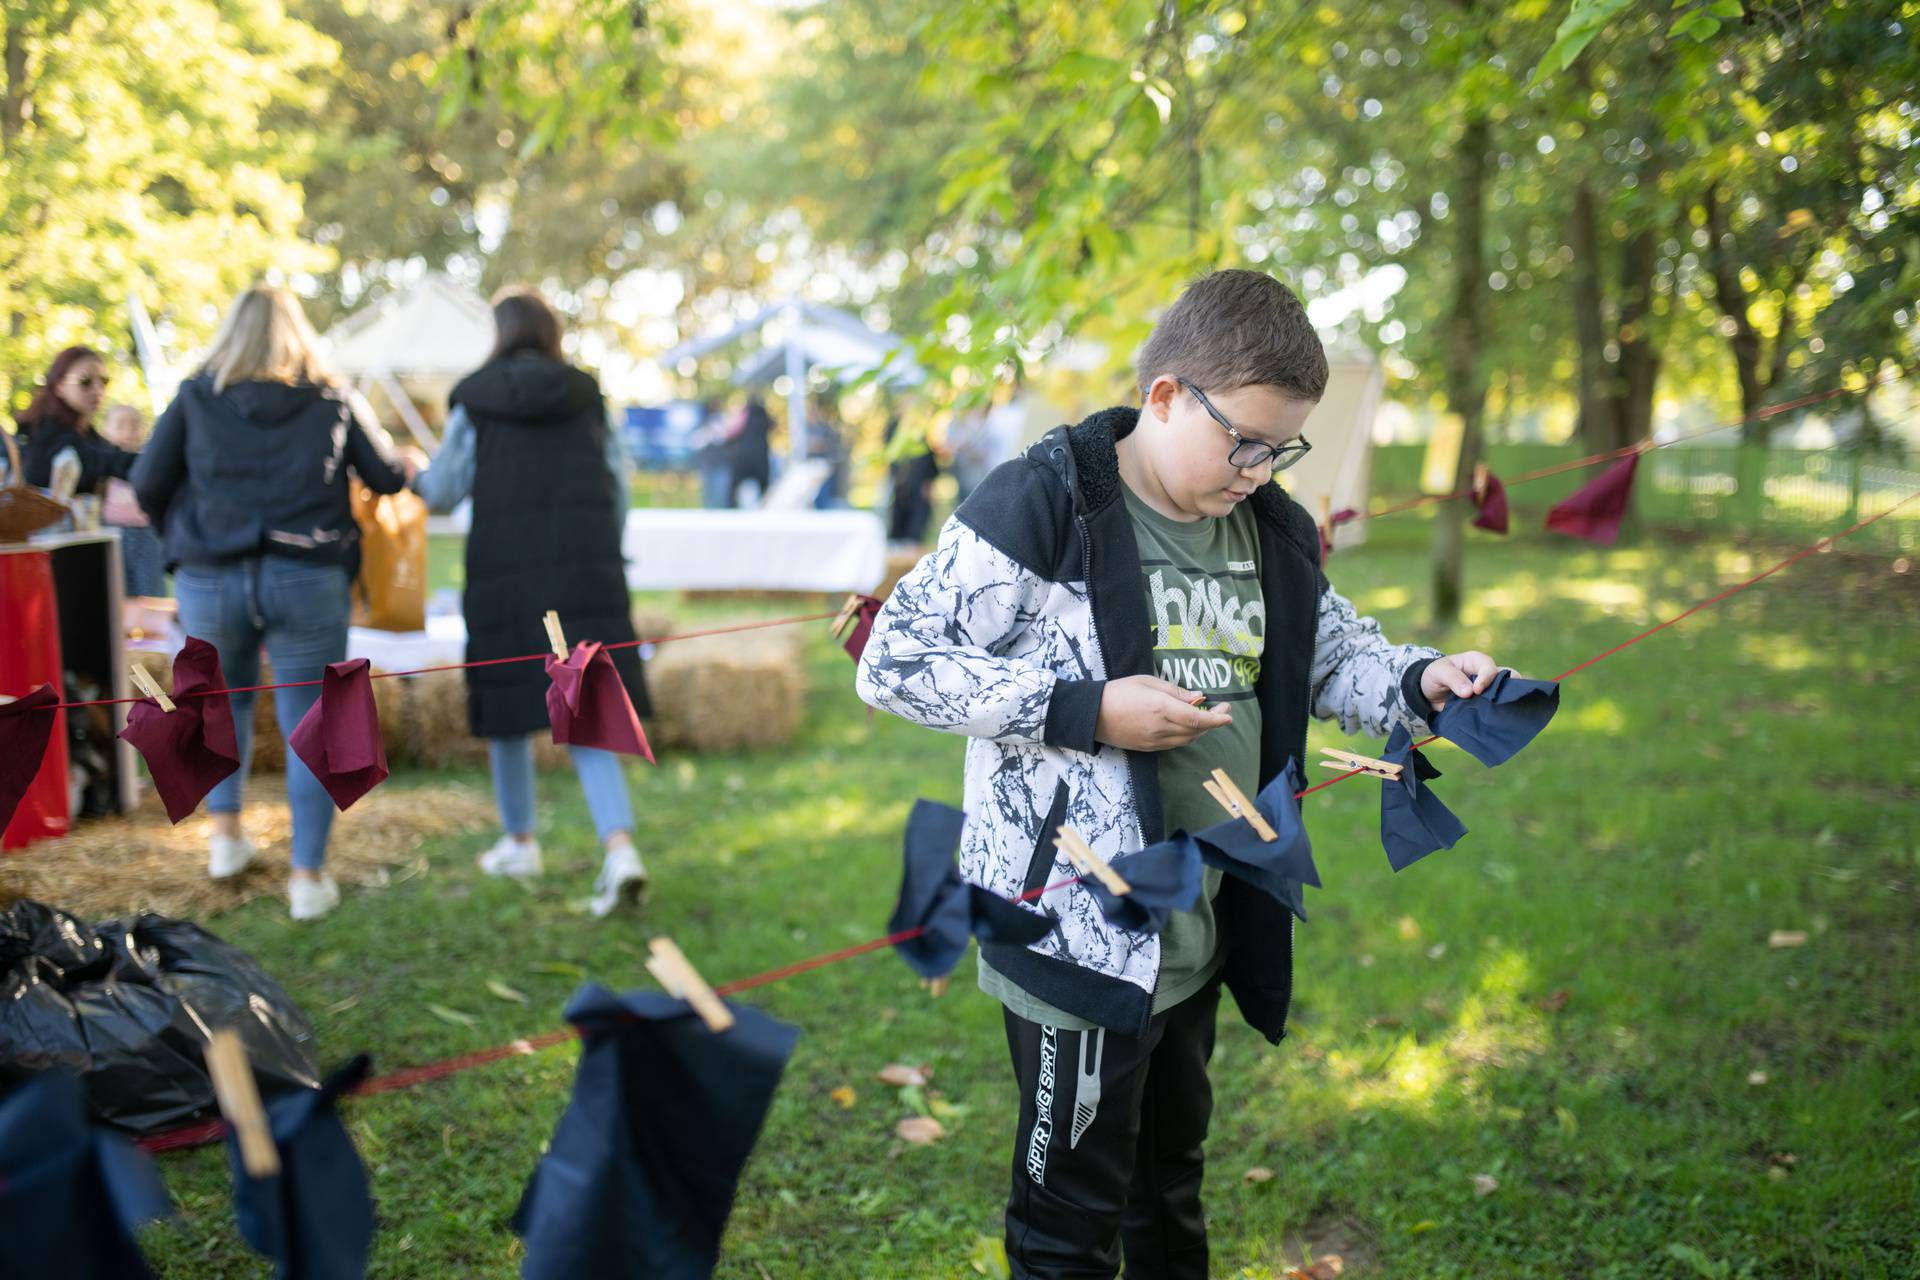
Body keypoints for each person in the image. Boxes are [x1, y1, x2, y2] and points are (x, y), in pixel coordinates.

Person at [855, 270, 1504, 1278]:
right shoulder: (1046, 501)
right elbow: (892, 660)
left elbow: (1332, 654)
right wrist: (1089, 708)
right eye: (1243, 439)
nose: (1261, 465)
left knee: (1168, 1184)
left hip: (1196, 925)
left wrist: (1424, 678)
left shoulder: (1271, 528)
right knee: (1069, 1218)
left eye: (1283, 445)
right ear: (1164, 397)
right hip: (1075, 927)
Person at [131, 285, 413, 921]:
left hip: (210, 578)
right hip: (306, 576)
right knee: (311, 722)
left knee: (219, 709)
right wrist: (406, 461)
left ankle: (226, 840)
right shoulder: (332, 397)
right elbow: (387, 478)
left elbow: (147, 481)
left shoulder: (196, 395)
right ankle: (308, 878)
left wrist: (186, 533)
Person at [412, 287, 650, 918]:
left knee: (506, 704)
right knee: (592, 706)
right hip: (586, 571)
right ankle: (620, 847)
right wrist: (608, 549)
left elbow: (442, 489)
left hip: (503, 574)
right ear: (552, 332)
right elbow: (618, 482)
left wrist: (407, 474)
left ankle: (520, 841)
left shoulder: (474, 397)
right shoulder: (587, 394)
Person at [15, 346, 137, 495]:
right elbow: (101, 460)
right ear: (59, 386)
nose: (98, 390)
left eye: (104, 381)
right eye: (85, 382)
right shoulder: (45, 433)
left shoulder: (86, 432)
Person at [98, 405, 167, 598]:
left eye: (134, 425)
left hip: (146, 533)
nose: (129, 432)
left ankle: (153, 625)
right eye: (121, 426)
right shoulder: (101, 462)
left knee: (151, 589)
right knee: (119, 589)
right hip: (113, 532)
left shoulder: (148, 462)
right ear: (106, 431)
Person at [729, 395, 773, 508]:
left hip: (743, 456)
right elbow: (773, 425)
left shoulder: (744, 415)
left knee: (735, 485)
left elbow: (732, 432)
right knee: (764, 485)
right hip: (761, 457)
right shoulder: (764, 416)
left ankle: (730, 506)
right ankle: (765, 507)